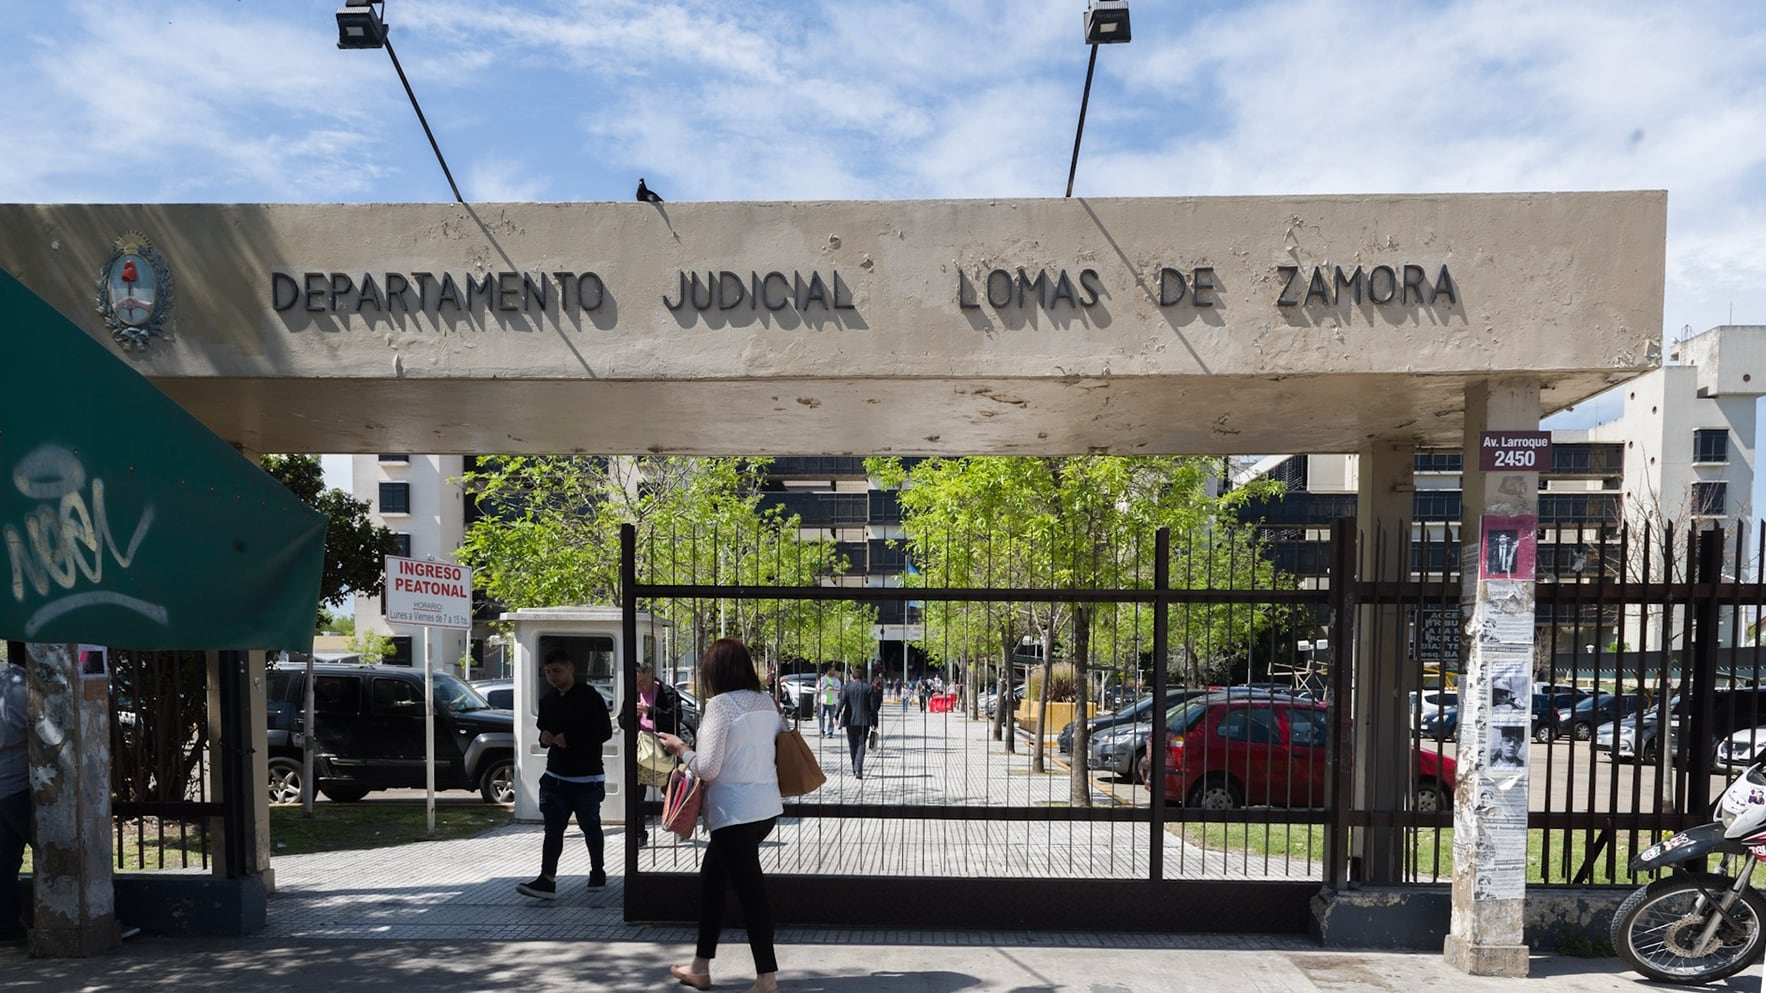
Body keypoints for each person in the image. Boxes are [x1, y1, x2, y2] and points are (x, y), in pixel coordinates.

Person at [657, 638, 782, 993]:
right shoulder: (767, 702)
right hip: (765, 809)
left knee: (751, 893)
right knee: (712, 882)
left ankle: (766, 979)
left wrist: (682, 750)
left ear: (714, 671)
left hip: (735, 814)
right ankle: (700, 966)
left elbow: (708, 768)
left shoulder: (721, 707)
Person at [517, 649, 613, 899]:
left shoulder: (590, 697)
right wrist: (544, 737)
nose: (552, 676)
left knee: (590, 827)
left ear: (570, 667)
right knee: (553, 830)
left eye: (556, 671)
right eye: (547, 672)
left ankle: (597, 872)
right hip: (555, 777)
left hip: (587, 778)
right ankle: (546, 879)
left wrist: (570, 738)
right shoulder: (548, 700)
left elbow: (604, 732)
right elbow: (543, 730)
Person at [626, 662, 685, 849]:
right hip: (641, 749)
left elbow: (676, 716)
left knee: (670, 790)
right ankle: (639, 834)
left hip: (663, 748)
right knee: (637, 793)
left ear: (651, 676)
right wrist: (630, 715)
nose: (639, 687)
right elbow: (621, 721)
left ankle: (677, 825)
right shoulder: (632, 694)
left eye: (642, 682)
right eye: (635, 683)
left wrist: (649, 711)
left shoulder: (667, 693)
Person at [0, 655, 28, 942]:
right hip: (19, 786)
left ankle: (6, 924)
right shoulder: (19, 684)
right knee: (56, 853)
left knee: (4, 859)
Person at [835, 667, 877, 779]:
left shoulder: (846, 687)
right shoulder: (869, 688)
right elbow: (873, 707)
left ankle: (855, 767)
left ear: (852, 677)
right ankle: (858, 768)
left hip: (850, 720)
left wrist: (836, 715)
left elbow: (842, 702)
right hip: (864, 721)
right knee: (861, 744)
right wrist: (875, 721)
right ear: (862, 677)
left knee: (852, 745)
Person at [816, 664, 842, 738]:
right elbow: (817, 688)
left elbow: (839, 689)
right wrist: (824, 688)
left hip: (832, 701)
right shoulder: (822, 679)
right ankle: (821, 730)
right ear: (828, 670)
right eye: (832, 670)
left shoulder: (836, 680)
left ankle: (830, 731)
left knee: (832, 717)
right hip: (823, 700)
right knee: (821, 715)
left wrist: (833, 689)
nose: (833, 671)